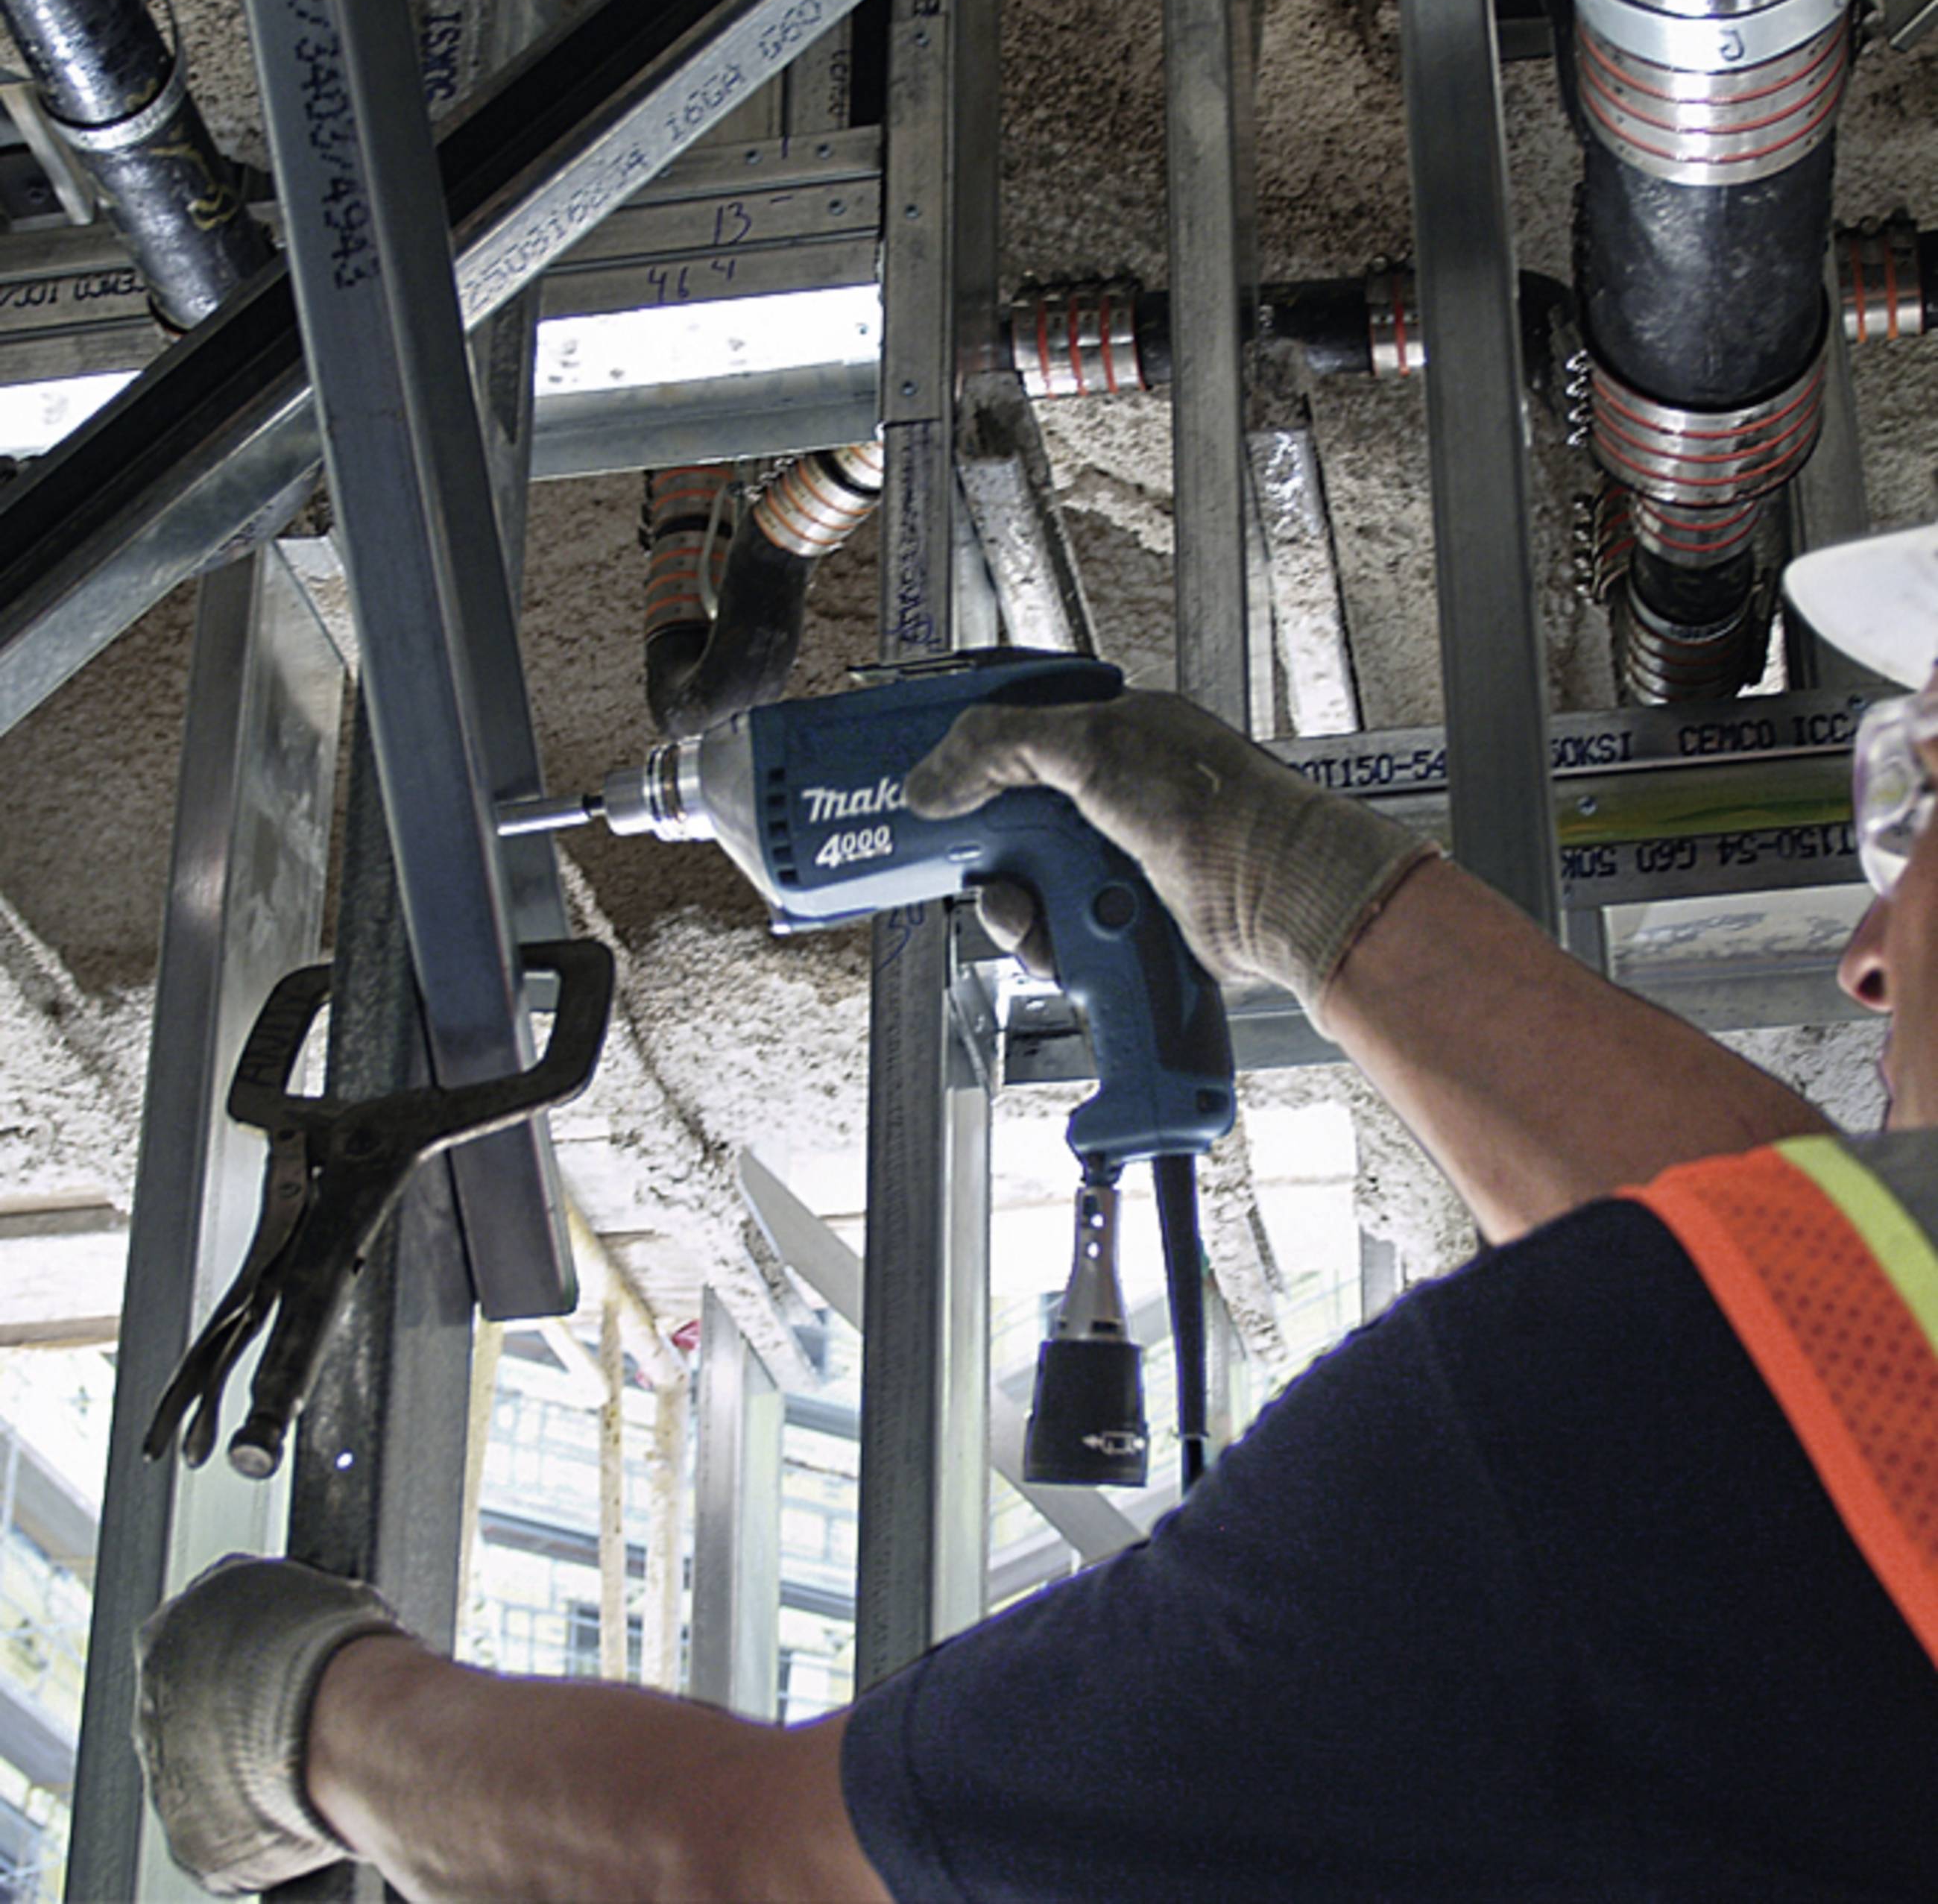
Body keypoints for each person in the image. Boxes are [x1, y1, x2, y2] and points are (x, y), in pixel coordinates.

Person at [133, 535, 1938, 1902]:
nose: (1865, 947)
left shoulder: (1543, 1466)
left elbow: (751, 1861)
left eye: (1920, 800)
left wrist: (299, 1721)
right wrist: (1295, 888)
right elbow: (1794, 1318)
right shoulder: (1754, 1408)